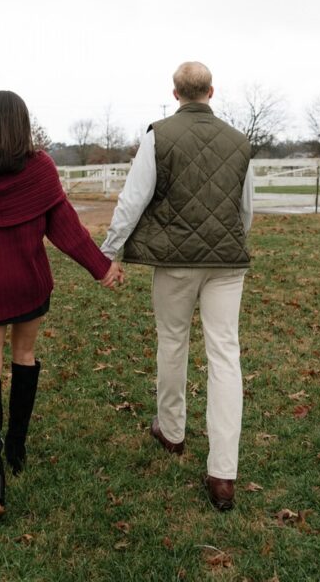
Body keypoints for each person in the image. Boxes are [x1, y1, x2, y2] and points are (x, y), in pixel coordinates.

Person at [0, 90, 123, 519]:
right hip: (28, 282)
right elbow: (66, 227)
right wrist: (102, 268)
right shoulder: (40, 167)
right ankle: (17, 446)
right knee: (24, 356)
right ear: (23, 125)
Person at [100, 61, 253, 511]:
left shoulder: (158, 135)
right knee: (225, 353)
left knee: (173, 341)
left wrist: (109, 250)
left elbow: (133, 198)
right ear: (211, 91)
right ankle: (223, 473)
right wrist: (231, 242)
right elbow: (246, 210)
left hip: (175, 261)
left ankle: (171, 431)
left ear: (175, 93)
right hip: (226, 262)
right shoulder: (239, 142)